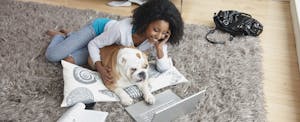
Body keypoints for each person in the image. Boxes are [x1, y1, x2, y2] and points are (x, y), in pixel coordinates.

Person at [45, 0, 184, 108]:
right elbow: (94, 44)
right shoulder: (121, 29)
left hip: (108, 48)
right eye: (156, 29)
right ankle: (62, 37)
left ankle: (73, 38)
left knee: (68, 60)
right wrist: (99, 67)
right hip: (97, 32)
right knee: (53, 56)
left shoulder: (157, 40)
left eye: (164, 33)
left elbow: (164, 69)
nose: (159, 35)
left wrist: (160, 47)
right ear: (146, 21)